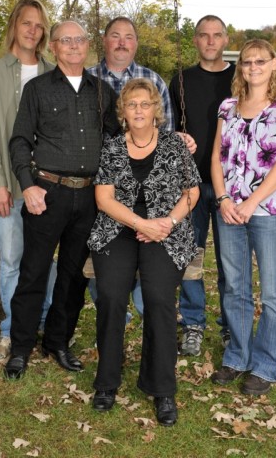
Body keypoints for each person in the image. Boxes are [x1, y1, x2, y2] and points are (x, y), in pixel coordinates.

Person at [4, 21, 119, 380]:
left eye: (79, 39)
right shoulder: (38, 89)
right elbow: (20, 140)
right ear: (53, 47)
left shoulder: (102, 91)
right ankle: (20, 347)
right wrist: (28, 185)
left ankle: (57, 341)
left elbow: (119, 140)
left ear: (88, 45)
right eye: (65, 40)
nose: (73, 45)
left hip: (89, 196)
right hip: (47, 193)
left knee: (73, 275)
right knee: (33, 272)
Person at [87, 78, 201, 426]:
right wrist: (141, 223)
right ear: (123, 111)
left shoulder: (174, 144)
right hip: (118, 229)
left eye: (145, 104)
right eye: (132, 104)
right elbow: (104, 199)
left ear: (156, 110)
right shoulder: (111, 147)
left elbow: (192, 192)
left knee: (158, 297)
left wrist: (167, 222)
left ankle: (162, 388)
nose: (138, 110)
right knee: (110, 294)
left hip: (166, 231)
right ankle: (107, 382)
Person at [210, 39, 276, 396]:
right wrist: (223, 199)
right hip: (229, 211)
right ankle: (237, 356)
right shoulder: (228, 107)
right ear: (240, 67)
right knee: (235, 287)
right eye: (247, 62)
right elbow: (217, 157)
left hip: (269, 212)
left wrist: (251, 203)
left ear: (273, 64)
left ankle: (266, 364)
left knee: (272, 293)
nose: (253, 67)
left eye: (260, 61)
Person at [0, 0, 56, 361]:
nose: (32, 31)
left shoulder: (53, 72)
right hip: (8, 184)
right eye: (26, 23)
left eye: (39, 25)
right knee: (11, 260)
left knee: (46, 261)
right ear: (14, 25)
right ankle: (11, 331)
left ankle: (42, 324)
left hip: (48, 186)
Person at [87, 16, 176, 319]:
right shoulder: (88, 79)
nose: (122, 42)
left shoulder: (153, 81)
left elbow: (166, 134)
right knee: (103, 255)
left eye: (128, 37)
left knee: (148, 253)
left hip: (145, 190)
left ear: (136, 43)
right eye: (115, 35)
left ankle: (144, 308)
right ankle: (113, 314)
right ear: (104, 41)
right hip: (99, 187)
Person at [169, 15, 235, 356]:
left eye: (216, 35)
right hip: (190, 185)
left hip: (230, 187)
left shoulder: (240, 77)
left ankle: (230, 326)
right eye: (203, 35)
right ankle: (193, 323)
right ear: (194, 40)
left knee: (230, 262)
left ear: (226, 39)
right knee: (190, 258)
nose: (210, 41)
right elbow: (167, 128)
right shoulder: (181, 80)